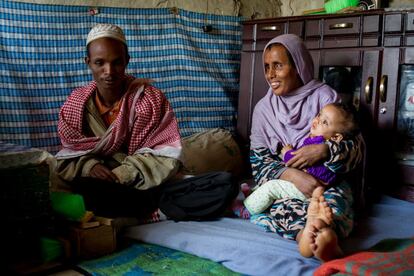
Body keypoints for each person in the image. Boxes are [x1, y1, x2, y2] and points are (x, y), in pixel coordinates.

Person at [55, 24, 237, 224]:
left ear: (127, 61)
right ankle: (159, 208)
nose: (109, 72)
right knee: (82, 190)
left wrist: (124, 173)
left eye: (116, 63)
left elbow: (163, 154)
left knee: (224, 184)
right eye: (100, 63)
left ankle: (148, 210)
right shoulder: (76, 105)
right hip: (105, 187)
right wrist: (89, 166)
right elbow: (68, 155)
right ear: (88, 63)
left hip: (147, 180)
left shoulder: (149, 99)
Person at [248, 34, 364, 262]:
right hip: (286, 186)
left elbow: (356, 147)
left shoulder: (325, 97)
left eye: (278, 66)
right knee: (284, 208)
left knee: (330, 205)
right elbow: (258, 163)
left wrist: (325, 150)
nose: (270, 74)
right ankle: (308, 236)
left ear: (298, 66)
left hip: (328, 184)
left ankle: (326, 233)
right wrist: (291, 175)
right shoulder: (264, 110)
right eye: (267, 67)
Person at [243, 102, 360, 215]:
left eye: (324, 122)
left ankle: (247, 210)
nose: (317, 120)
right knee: (270, 183)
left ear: (336, 137)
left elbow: (294, 161)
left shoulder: (319, 142)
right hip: (306, 181)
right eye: (319, 115)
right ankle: (253, 195)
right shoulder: (315, 139)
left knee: (272, 187)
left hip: (310, 188)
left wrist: (287, 152)